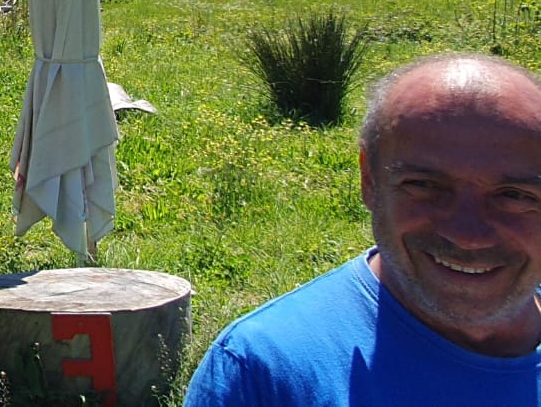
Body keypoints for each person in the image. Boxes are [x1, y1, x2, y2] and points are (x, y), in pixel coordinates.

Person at [184, 53, 541, 405]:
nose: (467, 234)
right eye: (424, 185)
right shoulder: (265, 370)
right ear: (369, 181)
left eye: (513, 195)